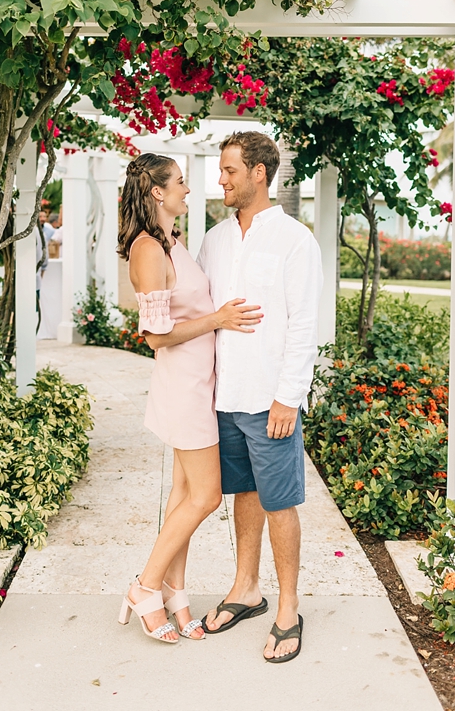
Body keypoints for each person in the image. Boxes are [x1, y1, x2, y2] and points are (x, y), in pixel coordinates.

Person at [117, 153, 263, 644]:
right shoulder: (147, 249)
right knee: (206, 496)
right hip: (183, 387)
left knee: (183, 495)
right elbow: (156, 336)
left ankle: (174, 591)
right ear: (157, 192)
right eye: (180, 181)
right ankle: (145, 586)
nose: (188, 188)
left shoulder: (170, 242)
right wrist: (219, 319)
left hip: (202, 382)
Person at [197, 131, 323, 664]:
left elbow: (304, 324)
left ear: (258, 173)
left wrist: (289, 397)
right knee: (243, 494)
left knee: (279, 501)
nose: (221, 179)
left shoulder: (295, 240)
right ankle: (246, 588)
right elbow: (203, 313)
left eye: (229, 170)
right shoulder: (214, 239)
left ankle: (288, 607)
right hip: (225, 396)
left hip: (271, 399)